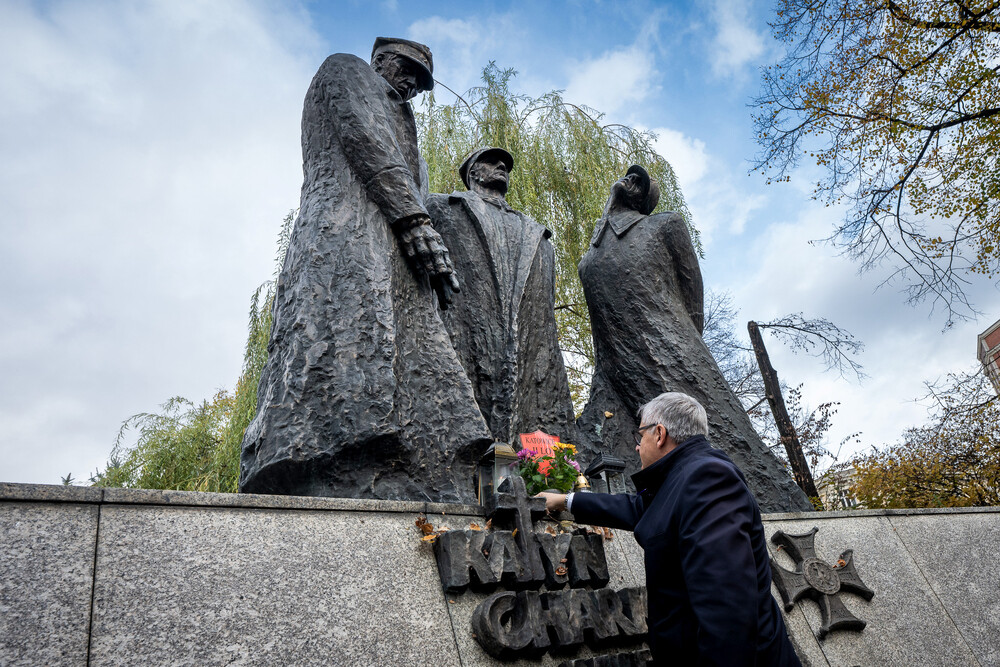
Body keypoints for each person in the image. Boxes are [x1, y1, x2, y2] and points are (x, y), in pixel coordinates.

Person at [240, 38, 492, 502]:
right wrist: (414, 221)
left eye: (420, 81)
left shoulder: (402, 119)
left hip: (394, 247)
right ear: (381, 60)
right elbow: (367, 141)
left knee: (410, 354)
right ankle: (337, 452)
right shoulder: (347, 69)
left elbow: (410, 181)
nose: (412, 84)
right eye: (407, 70)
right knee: (344, 344)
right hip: (348, 235)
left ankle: (422, 464)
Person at [575, 165, 811, 512]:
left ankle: (774, 508)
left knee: (719, 437)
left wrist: (685, 347)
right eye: (629, 176)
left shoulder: (665, 225)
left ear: (646, 200)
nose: (630, 180)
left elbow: (691, 291)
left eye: (640, 181)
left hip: (673, 351)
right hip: (613, 369)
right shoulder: (592, 253)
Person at [541, 392, 801, 666]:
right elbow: (639, 509)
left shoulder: (708, 480)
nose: (637, 447)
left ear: (659, 434)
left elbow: (728, 611)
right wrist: (565, 501)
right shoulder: (684, 478)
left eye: (640, 435)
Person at [426, 147, 577, 443]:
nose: (501, 167)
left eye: (504, 164)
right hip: (463, 336)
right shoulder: (442, 207)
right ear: (472, 172)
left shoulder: (537, 234)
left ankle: (532, 459)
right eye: (491, 162)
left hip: (525, 354)